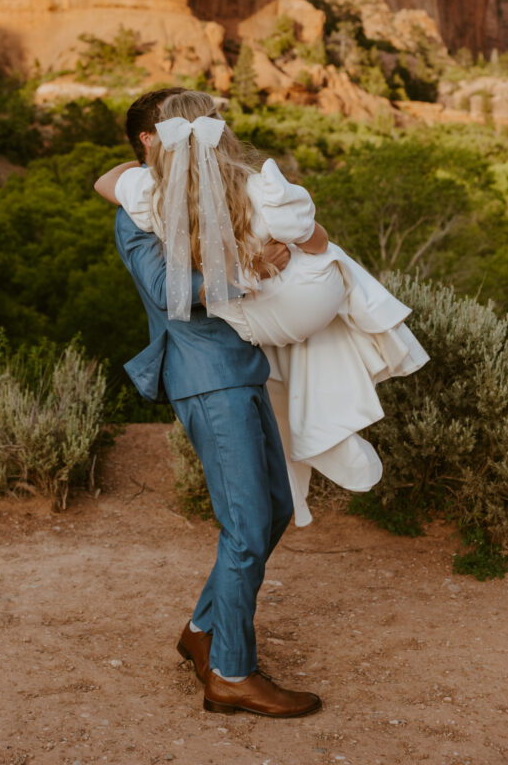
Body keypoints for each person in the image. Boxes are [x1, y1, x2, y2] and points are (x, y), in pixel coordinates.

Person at [95, 90, 429, 526]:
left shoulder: (146, 193)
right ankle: (345, 408)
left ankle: (325, 437)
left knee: (285, 364)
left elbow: (105, 182)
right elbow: (316, 241)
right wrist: (268, 259)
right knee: (331, 260)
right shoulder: (251, 185)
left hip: (253, 320)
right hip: (273, 316)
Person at [98, 88, 323, 718]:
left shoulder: (207, 196)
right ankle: (229, 671)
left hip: (243, 367)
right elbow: (167, 289)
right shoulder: (136, 212)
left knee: (275, 509)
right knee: (246, 525)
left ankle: (202, 630)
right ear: (153, 141)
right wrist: (254, 271)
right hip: (205, 375)